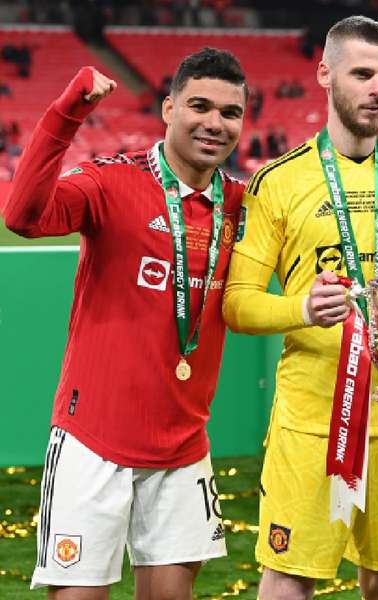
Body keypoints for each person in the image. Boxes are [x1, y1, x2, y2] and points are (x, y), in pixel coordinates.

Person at [222, 16, 378, 600]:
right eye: (362, 73)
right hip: (312, 422)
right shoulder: (277, 181)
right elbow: (237, 305)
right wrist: (303, 310)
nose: (377, 88)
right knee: (291, 578)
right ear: (325, 74)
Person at [1, 48, 248, 598]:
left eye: (230, 113)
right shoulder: (111, 182)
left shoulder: (242, 203)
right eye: (199, 106)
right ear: (168, 108)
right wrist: (68, 112)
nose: (214, 123)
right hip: (94, 442)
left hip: (183, 448)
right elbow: (21, 216)